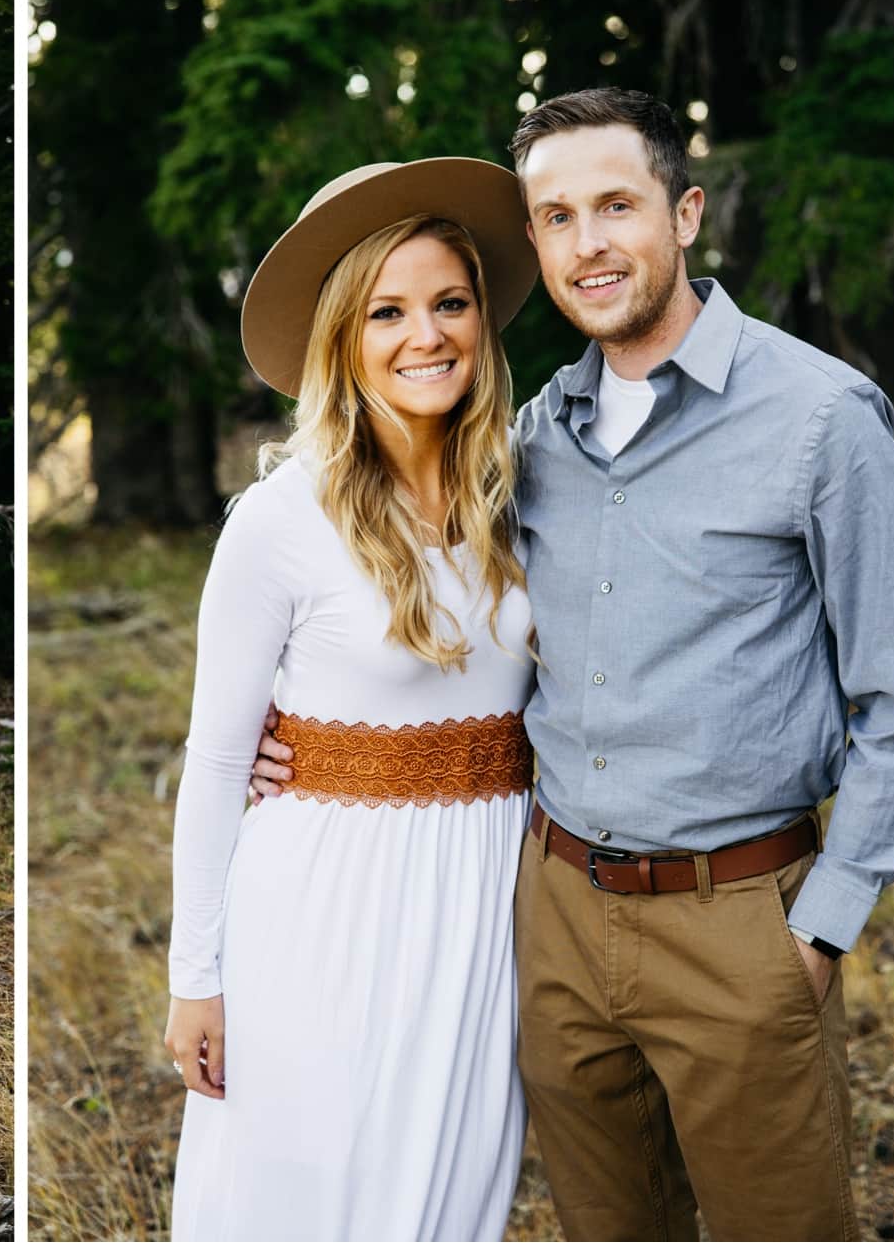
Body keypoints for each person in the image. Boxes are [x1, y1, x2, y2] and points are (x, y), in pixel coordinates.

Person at [251, 87, 894, 1240]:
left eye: (614, 204)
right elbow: (457, 632)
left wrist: (818, 930)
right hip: (558, 909)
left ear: (681, 213)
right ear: (532, 241)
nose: (589, 242)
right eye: (557, 216)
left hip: (739, 916)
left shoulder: (820, 421)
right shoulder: (531, 441)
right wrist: (302, 742)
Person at [164, 158, 542, 1241]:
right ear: (342, 338)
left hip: (480, 908)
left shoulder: (518, 496)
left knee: (450, 1194)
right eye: (386, 311)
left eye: (448, 303)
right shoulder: (280, 520)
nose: (424, 335)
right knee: (315, 1191)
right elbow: (217, 758)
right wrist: (197, 977)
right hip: (325, 905)